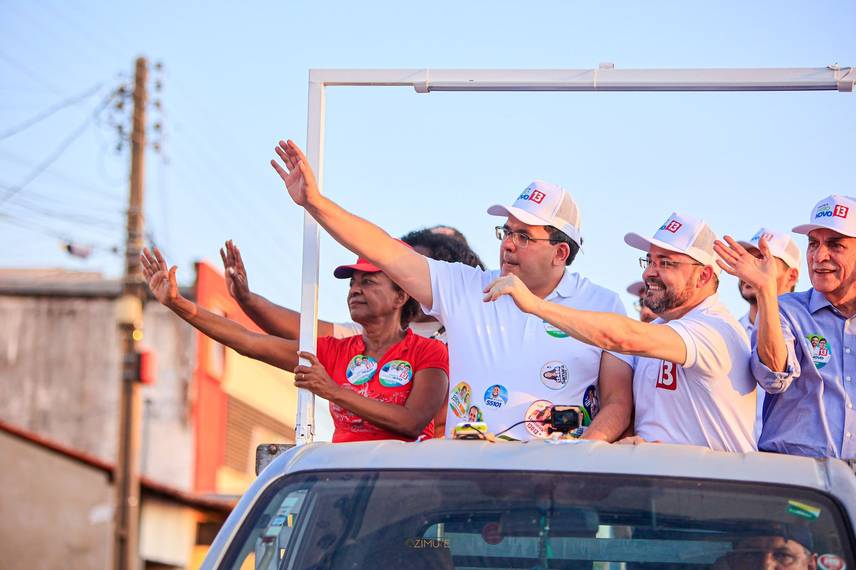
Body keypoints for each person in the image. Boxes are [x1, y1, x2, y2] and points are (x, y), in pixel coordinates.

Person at [270, 139, 633, 442]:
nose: (508, 245)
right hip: (469, 487)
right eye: (506, 232)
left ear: (561, 252)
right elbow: (385, 250)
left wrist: (582, 457)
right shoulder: (466, 287)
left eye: (524, 236)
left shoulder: (603, 305)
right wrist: (314, 203)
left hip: (560, 490)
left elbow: (617, 402)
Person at [483, 212, 757, 452]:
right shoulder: (661, 329)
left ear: (704, 276)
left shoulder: (715, 328)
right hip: (664, 495)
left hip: (718, 498)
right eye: (649, 261)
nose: (650, 272)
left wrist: (535, 305)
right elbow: (631, 413)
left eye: (666, 263)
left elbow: (622, 336)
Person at [140, 246, 449, 443]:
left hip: (403, 487)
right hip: (346, 483)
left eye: (368, 282)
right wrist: (178, 304)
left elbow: (411, 423)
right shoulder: (333, 350)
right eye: (352, 284)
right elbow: (249, 342)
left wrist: (332, 390)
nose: (354, 290)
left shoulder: (429, 352)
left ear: (400, 296)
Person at [715, 195, 856, 459]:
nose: (820, 255)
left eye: (835, 245)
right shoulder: (786, 309)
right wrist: (766, 291)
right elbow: (773, 378)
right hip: (799, 483)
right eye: (813, 244)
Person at [219, 228, 484, 342]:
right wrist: (247, 300)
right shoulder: (374, 333)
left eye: (418, 267)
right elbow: (305, 335)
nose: (405, 275)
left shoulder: (475, 334)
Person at [734, 228, 801, 441]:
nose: (750, 268)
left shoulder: (809, 333)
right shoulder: (728, 331)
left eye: (762, 260)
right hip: (733, 463)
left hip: (790, 466)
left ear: (792, 275)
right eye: (747, 259)